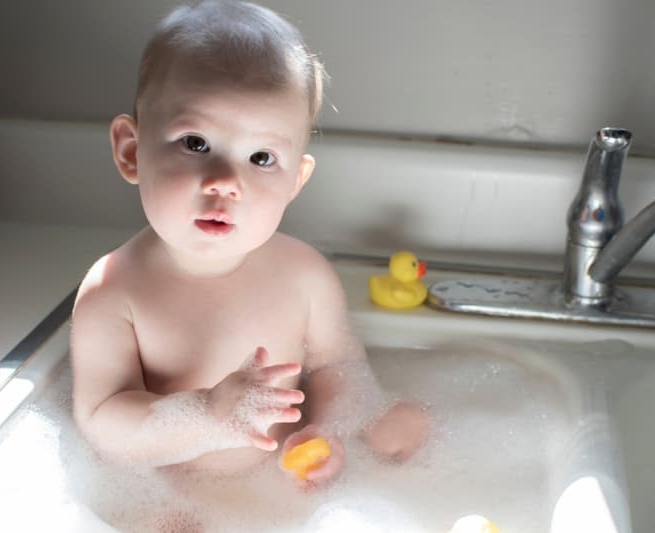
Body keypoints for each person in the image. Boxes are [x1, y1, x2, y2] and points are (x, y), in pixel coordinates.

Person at [70, 0, 427, 489]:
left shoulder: (304, 276)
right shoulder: (113, 291)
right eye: (196, 143)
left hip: (274, 486)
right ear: (132, 151)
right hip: (173, 497)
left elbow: (337, 366)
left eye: (261, 157)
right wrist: (204, 415)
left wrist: (327, 432)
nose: (226, 181)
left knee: (404, 427)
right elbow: (100, 420)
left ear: (294, 181)